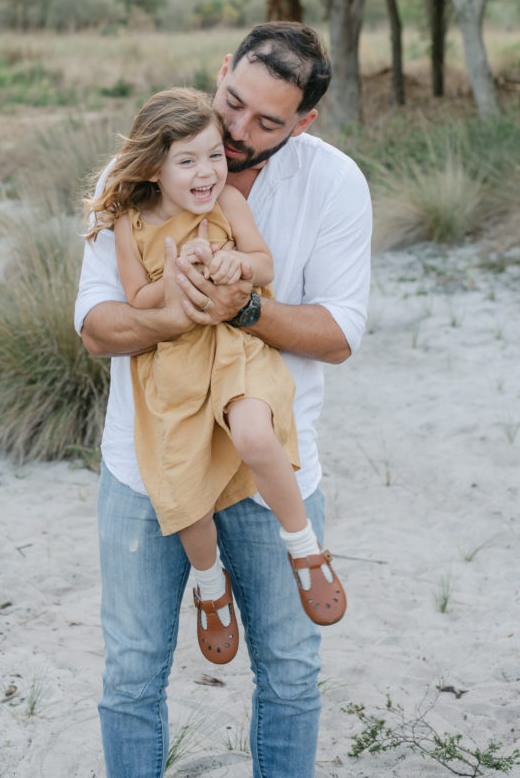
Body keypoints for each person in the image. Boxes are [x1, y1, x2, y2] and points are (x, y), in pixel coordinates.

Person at [75, 21, 372, 778]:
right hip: (150, 464)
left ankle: (308, 552)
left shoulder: (334, 184)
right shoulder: (138, 175)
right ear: (221, 71)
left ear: (304, 122)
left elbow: (339, 332)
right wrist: (171, 313)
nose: (237, 134)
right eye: (232, 103)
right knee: (133, 676)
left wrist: (241, 304)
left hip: (266, 459)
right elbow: (98, 326)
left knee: (291, 676)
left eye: (267, 122)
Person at [83, 87, 346, 665]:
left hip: (233, 350)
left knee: (256, 435)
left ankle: (303, 547)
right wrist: (175, 281)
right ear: (154, 166)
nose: (206, 172)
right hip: (173, 365)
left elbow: (263, 263)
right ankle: (209, 583)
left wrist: (235, 264)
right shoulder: (130, 222)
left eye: (213, 155)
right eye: (188, 160)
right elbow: (137, 295)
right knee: (185, 491)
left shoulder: (227, 201)